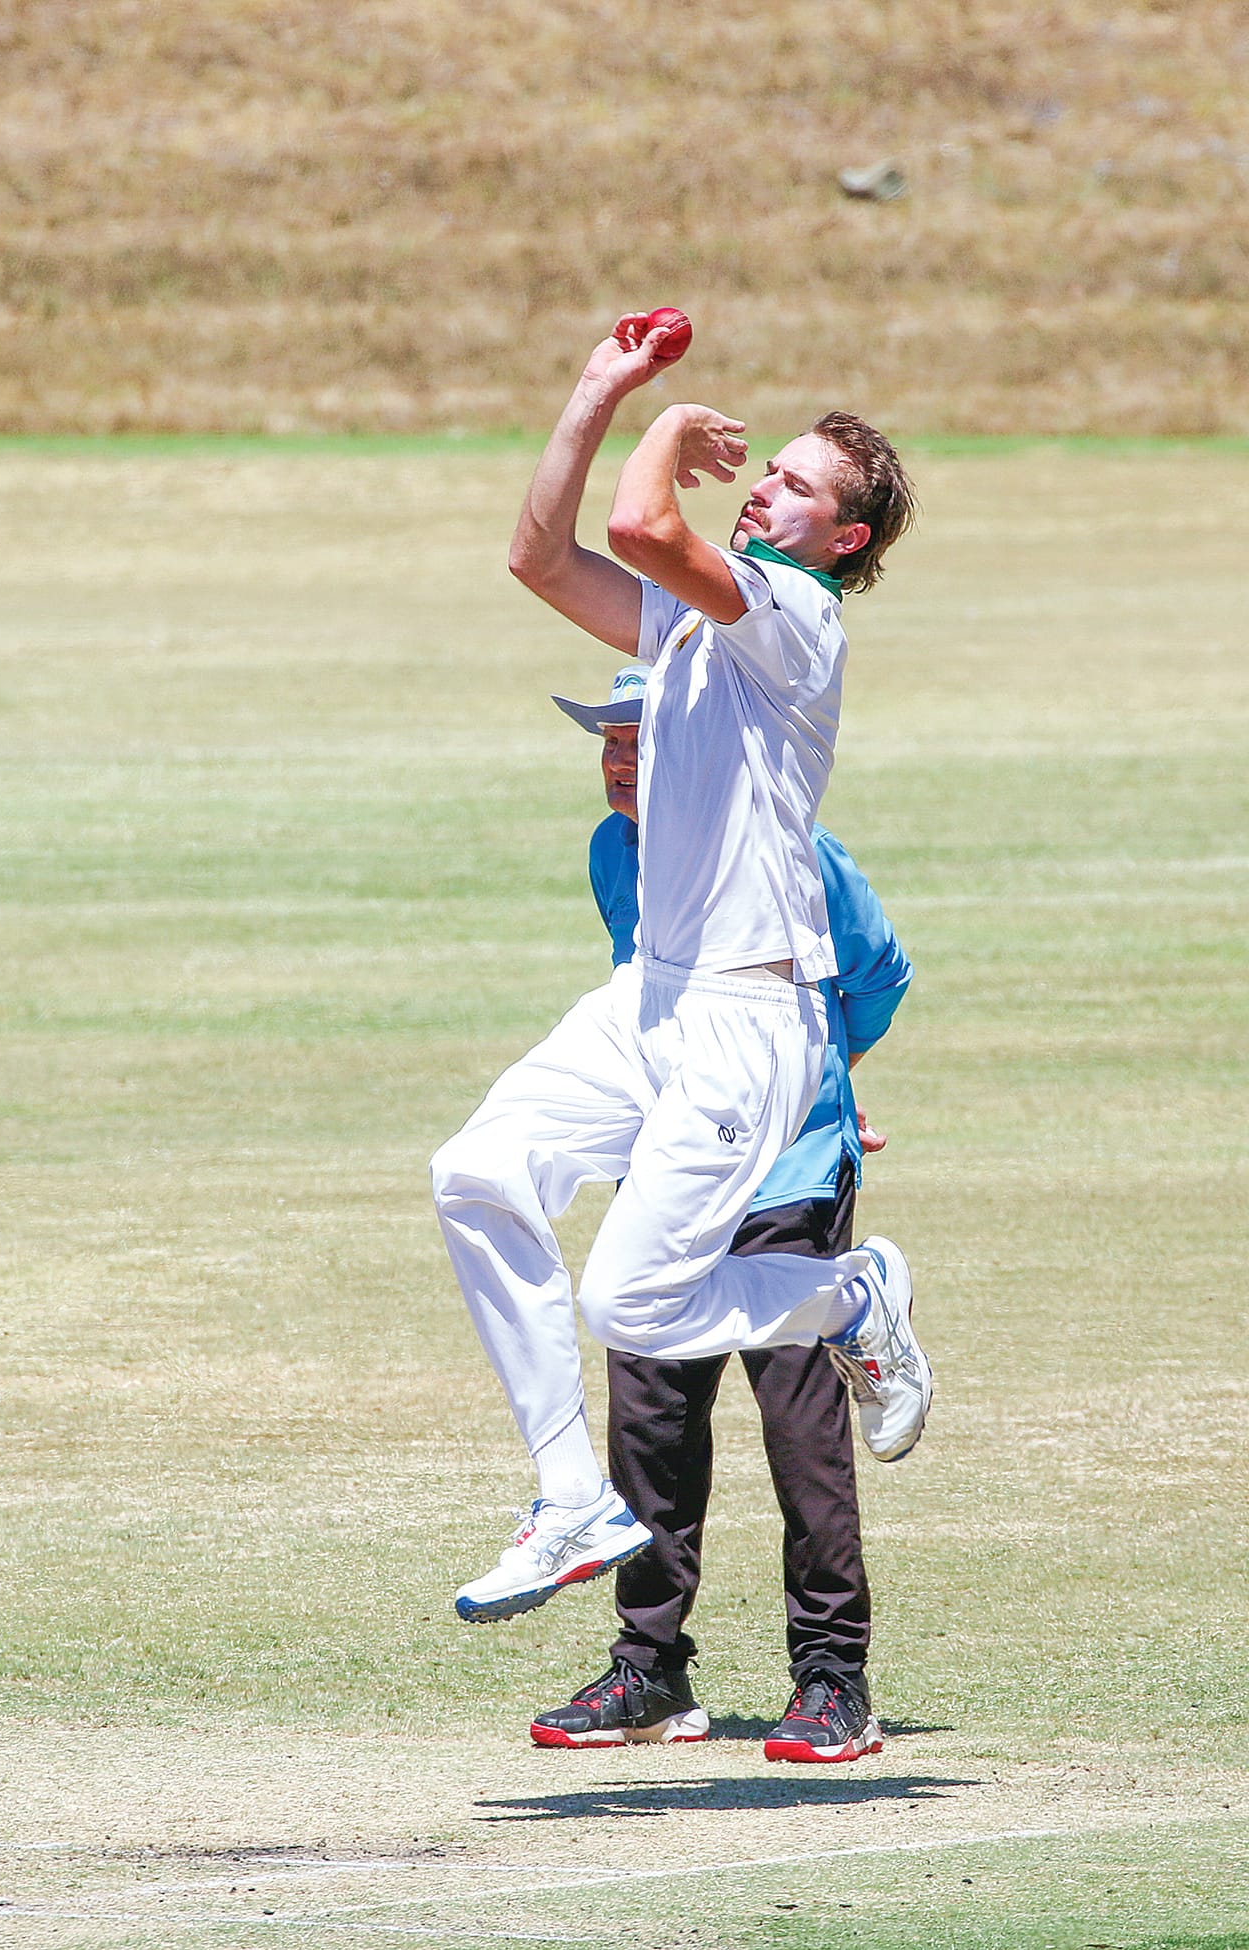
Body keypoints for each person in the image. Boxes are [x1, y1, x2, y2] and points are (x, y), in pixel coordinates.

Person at [430, 314, 930, 1634]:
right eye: (770, 471)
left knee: (625, 1300)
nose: (766, 484)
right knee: (476, 1174)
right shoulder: (697, 630)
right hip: (649, 995)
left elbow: (652, 529)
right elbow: (541, 554)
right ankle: (568, 1499)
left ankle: (849, 1291)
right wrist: (602, 385)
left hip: (743, 1017)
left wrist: (662, 428)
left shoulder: (797, 616)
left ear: (845, 539)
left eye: (800, 485)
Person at [525, 665, 911, 1764]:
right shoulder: (614, 853)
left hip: (785, 1170)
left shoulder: (789, 852)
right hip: (674, 1167)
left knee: (800, 1430)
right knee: (646, 1420)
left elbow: (876, 976)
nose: (613, 758)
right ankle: (649, 1672)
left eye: (637, 741)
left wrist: (812, 1081)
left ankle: (833, 1682)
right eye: (605, 738)